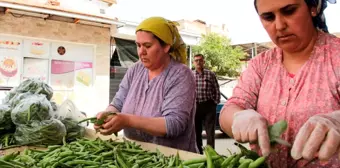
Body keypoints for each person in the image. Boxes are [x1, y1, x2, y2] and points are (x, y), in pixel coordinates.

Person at [219, 0, 339, 167]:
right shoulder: (261, 64)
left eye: (289, 11)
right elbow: (229, 110)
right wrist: (237, 116)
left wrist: (336, 121)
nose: (280, 25)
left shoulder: (336, 57)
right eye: (269, 17)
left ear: (313, 8)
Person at [94, 16, 198, 153]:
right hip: (135, 155)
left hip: (171, 159)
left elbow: (173, 124)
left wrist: (127, 120)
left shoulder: (181, 75)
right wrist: (107, 115)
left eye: (147, 46)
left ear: (166, 46)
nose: (141, 52)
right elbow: (118, 102)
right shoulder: (135, 70)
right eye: (138, 45)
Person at [193, 53, 220, 154]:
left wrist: (215, 103)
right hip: (196, 106)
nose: (198, 62)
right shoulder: (191, 74)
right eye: (196, 60)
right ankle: (199, 153)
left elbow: (216, 89)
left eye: (200, 60)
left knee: (210, 132)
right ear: (193, 63)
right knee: (196, 131)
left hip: (209, 106)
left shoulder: (210, 74)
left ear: (204, 62)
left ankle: (211, 153)